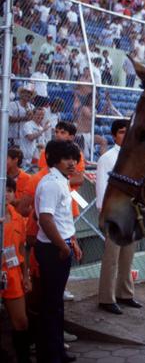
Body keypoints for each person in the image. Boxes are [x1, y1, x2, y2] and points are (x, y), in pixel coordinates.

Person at [34, 139, 83, 363]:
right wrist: (63, 247)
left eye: (74, 158)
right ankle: (50, 354)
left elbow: (62, 220)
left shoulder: (61, 180)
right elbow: (45, 219)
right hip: (53, 249)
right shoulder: (52, 183)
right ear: (54, 159)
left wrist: (71, 242)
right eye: (66, 158)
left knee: (55, 303)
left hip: (60, 246)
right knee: (51, 304)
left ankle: (56, 351)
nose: (72, 163)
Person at [96, 119, 141, 315]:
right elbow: (101, 189)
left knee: (127, 257)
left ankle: (125, 294)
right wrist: (104, 213)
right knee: (111, 258)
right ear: (114, 135)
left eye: (128, 132)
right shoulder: (107, 158)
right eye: (122, 132)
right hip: (114, 213)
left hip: (132, 212)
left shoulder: (136, 157)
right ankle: (106, 298)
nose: (126, 135)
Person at [2, 178, 32, 363]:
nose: (5, 194)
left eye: (9, 190)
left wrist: (26, 276)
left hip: (12, 274)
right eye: (2, 189)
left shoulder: (19, 219)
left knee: (21, 321)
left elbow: (22, 250)